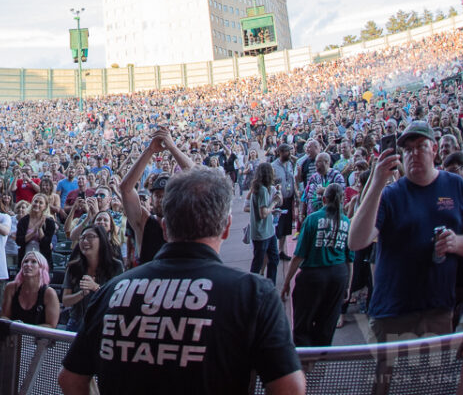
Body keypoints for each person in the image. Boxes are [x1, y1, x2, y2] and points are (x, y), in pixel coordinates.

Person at [58, 167, 304, 395]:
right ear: (226, 227)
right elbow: (289, 387)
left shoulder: (110, 292)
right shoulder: (254, 294)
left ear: (164, 228)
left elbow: (71, 379)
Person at [349, 120, 463, 341]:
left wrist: (455, 243)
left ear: (435, 149)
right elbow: (356, 241)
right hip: (392, 312)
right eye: (407, 149)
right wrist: (376, 183)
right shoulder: (390, 194)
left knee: (434, 375)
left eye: (420, 146)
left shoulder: (455, 185)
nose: (413, 153)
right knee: (389, 377)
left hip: (438, 310)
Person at [281, 183, 353, 347]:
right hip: (338, 276)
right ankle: (319, 363)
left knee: (302, 323)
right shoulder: (346, 222)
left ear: (323, 199)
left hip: (313, 277)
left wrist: (287, 283)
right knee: (327, 325)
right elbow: (350, 259)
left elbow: (298, 256)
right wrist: (347, 285)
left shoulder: (312, 219)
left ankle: (304, 363)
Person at [120, 129, 194, 266]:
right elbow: (126, 189)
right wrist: (149, 150)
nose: (162, 199)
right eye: (158, 195)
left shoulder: (186, 220)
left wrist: (172, 147)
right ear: (151, 199)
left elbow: (198, 179)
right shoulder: (144, 221)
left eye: (167, 194)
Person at [61, 224, 124, 332]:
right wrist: (82, 293)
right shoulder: (73, 267)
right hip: (76, 323)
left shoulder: (116, 266)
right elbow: (66, 301)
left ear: (102, 240)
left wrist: (96, 288)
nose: (85, 241)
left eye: (90, 236)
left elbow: (118, 299)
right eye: (82, 238)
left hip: (104, 323)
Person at [2, 250, 60, 328]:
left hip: (39, 338)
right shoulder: (11, 288)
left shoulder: (49, 293)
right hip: (13, 336)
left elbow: (51, 325)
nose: (28, 265)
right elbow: (4, 316)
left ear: (41, 267)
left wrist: (24, 329)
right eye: (25, 261)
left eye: (33, 262)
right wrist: (14, 326)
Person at [249, 162, 282, 283]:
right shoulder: (262, 190)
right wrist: (274, 203)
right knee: (259, 262)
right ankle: (256, 286)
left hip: (267, 231)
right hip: (262, 232)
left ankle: (266, 285)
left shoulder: (258, 188)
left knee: (272, 258)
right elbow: (263, 213)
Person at [15, 192, 57, 270]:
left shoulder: (49, 222)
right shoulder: (23, 220)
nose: (37, 204)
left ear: (45, 206)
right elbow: (19, 241)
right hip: (25, 256)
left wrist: (40, 228)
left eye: (41, 203)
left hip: (43, 258)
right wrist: (34, 231)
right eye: (35, 201)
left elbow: (46, 243)